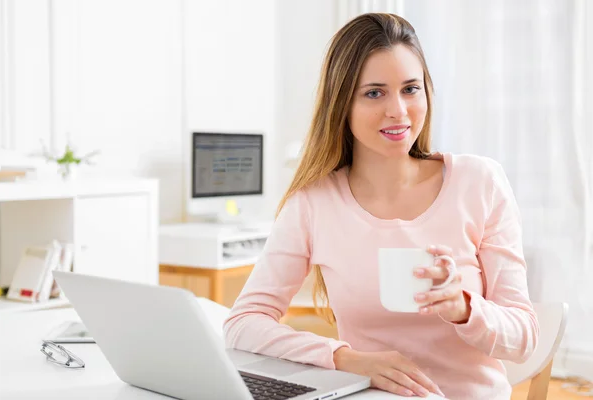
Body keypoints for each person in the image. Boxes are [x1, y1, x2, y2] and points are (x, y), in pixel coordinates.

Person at [223, 12, 539, 400]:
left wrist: (464, 308)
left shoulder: (479, 182)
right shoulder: (313, 204)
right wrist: (345, 359)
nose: (399, 111)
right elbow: (242, 323)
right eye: (375, 92)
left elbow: (524, 338)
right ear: (342, 103)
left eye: (410, 89)